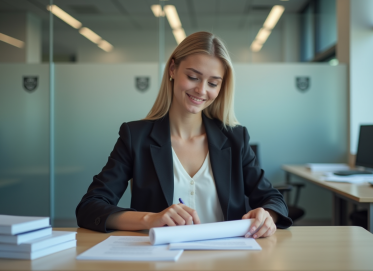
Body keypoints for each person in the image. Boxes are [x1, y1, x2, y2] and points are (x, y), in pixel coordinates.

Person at [76, 31, 292, 238]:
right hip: (161, 259)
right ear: (172, 69)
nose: (201, 90)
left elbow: (273, 199)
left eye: (213, 83)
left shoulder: (236, 139)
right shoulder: (135, 137)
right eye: (192, 77)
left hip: (227, 259)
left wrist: (267, 215)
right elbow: (90, 207)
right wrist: (149, 219)